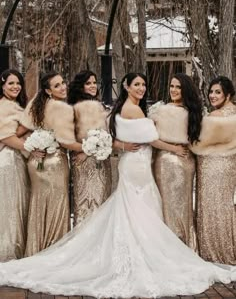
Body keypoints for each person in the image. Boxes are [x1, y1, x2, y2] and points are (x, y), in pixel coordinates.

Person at [0, 72, 235, 297]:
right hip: (136, 164)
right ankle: (142, 255)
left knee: (137, 206)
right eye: (137, 85)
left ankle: (143, 251)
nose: (141, 89)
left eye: (143, 85)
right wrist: (173, 147)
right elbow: (151, 137)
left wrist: (124, 141)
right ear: (127, 87)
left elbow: (129, 135)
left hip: (135, 161)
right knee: (139, 206)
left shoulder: (127, 109)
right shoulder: (132, 109)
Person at [19, 72, 83, 256]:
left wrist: (31, 145)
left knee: (38, 204)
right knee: (57, 207)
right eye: (57, 85)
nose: (63, 87)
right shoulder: (61, 109)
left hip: (36, 162)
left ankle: (35, 250)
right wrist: (88, 148)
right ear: (48, 90)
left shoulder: (35, 105)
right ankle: (53, 253)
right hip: (54, 162)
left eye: (63, 82)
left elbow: (19, 131)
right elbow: (66, 142)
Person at [149, 73, 202, 249]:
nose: (173, 90)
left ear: (185, 89)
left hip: (187, 162)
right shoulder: (160, 111)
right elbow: (151, 138)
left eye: (178, 87)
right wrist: (174, 149)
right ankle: (169, 247)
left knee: (185, 204)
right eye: (171, 86)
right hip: (165, 160)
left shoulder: (193, 112)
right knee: (166, 204)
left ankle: (186, 245)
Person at [191, 76, 236, 265]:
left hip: (211, 166)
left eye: (218, 92)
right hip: (230, 166)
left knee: (211, 208)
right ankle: (230, 248)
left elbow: (197, 145)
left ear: (228, 95)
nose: (213, 95)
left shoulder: (214, 117)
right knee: (225, 207)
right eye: (211, 91)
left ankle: (214, 253)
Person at [68, 70, 112, 226]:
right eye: (88, 83)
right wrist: (86, 150)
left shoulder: (98, 105)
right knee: (87, 201)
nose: (93, 86)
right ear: (80, 86)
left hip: (100, 158)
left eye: (94, 82)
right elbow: (68, 137)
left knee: (100, 198)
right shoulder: (77, 108)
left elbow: (104, 133)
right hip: (85, 161)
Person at [0, 69, 29, 261]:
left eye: (18, 83)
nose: (15, 86)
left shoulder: (16, 106)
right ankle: (8, 252)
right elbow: (5, 136)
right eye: (11, 83)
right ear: (2, 86)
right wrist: (32, 147)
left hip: (17, 160)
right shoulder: (4, 106)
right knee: (10, 205)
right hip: (8, 161)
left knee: (17, 204)